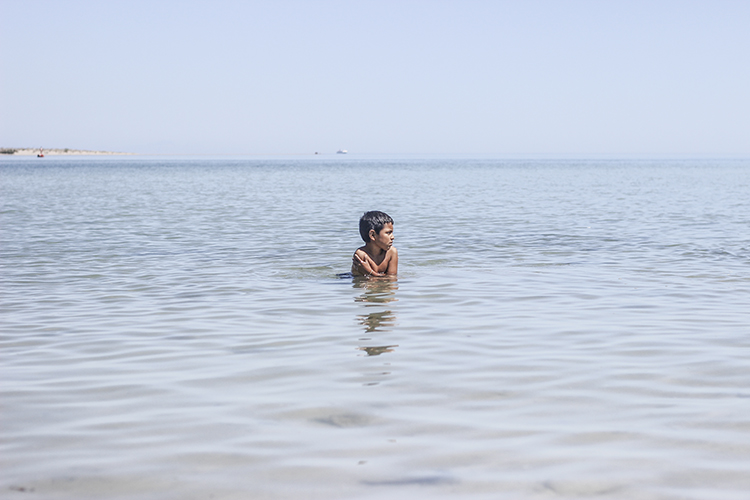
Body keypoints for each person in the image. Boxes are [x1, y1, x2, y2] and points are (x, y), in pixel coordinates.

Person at [351, 211, 398, 276]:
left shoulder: (391, 252)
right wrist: (378, 275)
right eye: (388, 233)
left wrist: (369, 272)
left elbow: (392, 279)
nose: (392, 237)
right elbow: (362, 280)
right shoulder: (361, 255)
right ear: (372, 235)